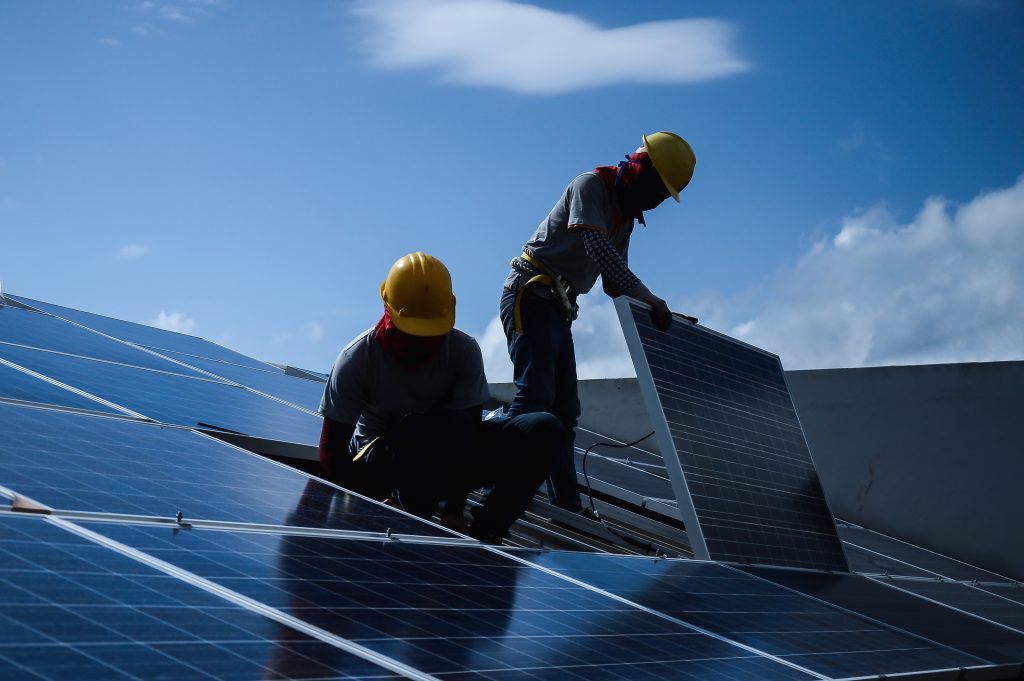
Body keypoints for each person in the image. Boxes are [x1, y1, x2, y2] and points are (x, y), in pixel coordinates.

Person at [500, 131, 697, 512]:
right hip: (531, 293)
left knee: (564, 413)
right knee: (535, 399)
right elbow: (597, 249)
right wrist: (650, 297)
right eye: (658, 191)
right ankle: (493, 476)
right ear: (644, 174)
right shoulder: (590, 186)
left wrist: (659, 311)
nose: (656, 203)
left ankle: (566, 508)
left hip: (558, 307)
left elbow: (614, 280)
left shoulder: (623, 217)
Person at [318, 251, 562, 543]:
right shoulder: (357, 358)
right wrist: (366, 503)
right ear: (389, 311)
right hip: (386, 466)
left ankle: (488, 529)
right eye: (409, 334)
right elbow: (331, 450)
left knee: (544, 429)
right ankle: (407, 508)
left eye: (428, 335)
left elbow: (466, 438)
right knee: (421, 428)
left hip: (446, 459)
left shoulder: (463, 351)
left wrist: (454, 512)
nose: (418, 344)